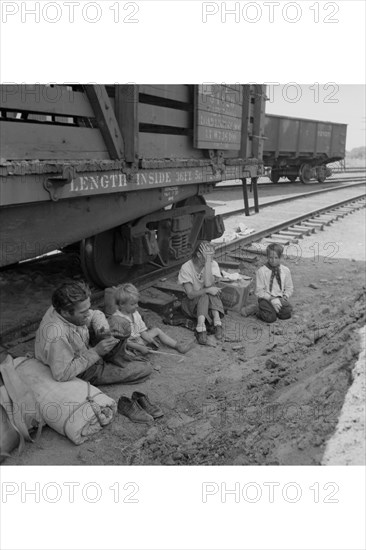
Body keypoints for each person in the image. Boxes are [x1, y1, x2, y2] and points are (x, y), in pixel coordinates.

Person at [35, 281, 152, 385]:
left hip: (85, 348)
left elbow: (96, 314)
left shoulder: (62, 308)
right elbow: (62, 374)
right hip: (82, 369)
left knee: (120, 323)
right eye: (83, 312)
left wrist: (103, 331)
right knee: (145, 368)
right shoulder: (57, 336)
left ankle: (114, 358)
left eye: (88, 308)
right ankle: (110, 362)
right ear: (65, 312)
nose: (88, 314)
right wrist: (96, 352)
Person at [109, 283, 192, 356]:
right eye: (133, 304)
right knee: (130, 350)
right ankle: (137, 352)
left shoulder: (135, 313)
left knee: (156, 330)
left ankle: (177, 345)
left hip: (138, 339)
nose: (137, 306)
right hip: (128, 344)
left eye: (137, 303)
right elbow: (123, 341)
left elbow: (142, 331)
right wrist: (140, 347)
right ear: (122, 304)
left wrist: (150, 340)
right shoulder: (117, 319)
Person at [178, 241, 225, 345]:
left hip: (210, 308)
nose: (211, 259)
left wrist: (208, 262)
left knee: (212, 291)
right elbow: (190, 294)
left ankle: (216, 323)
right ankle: (201, 327)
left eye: (212, 256)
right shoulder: (186, 267)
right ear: (199, 254)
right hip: (192, 305)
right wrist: (207, 290)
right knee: (205, 293)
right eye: (208, 256)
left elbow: (208, 283)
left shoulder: (212, 264)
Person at [255, 243, 294, 323]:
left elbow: (289, 287)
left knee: (287, 313)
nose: (273, 260)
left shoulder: (285, 270)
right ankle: (257, 310)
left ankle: (270, 310)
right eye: (270, 257)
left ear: (280, 257)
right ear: (267, 257)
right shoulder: (261, 271)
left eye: (276, 258)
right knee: (271, 318)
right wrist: (272, 299)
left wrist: (285, 297)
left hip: (279, 298)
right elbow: (259, 292)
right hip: (265, 298)